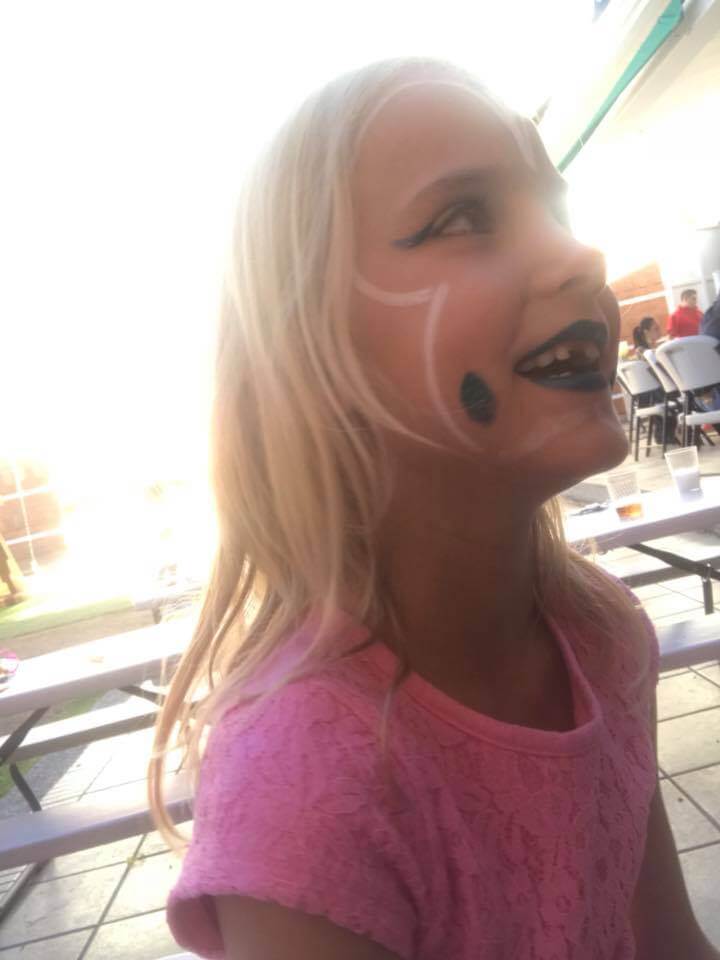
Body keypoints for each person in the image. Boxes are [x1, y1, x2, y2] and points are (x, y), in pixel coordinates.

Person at [150, 59, 719, 960]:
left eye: (556, 211)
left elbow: (669, 942)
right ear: (310, 359)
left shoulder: (602, 632)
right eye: (462, 218)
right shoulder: (308, 782)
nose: (582, 255)